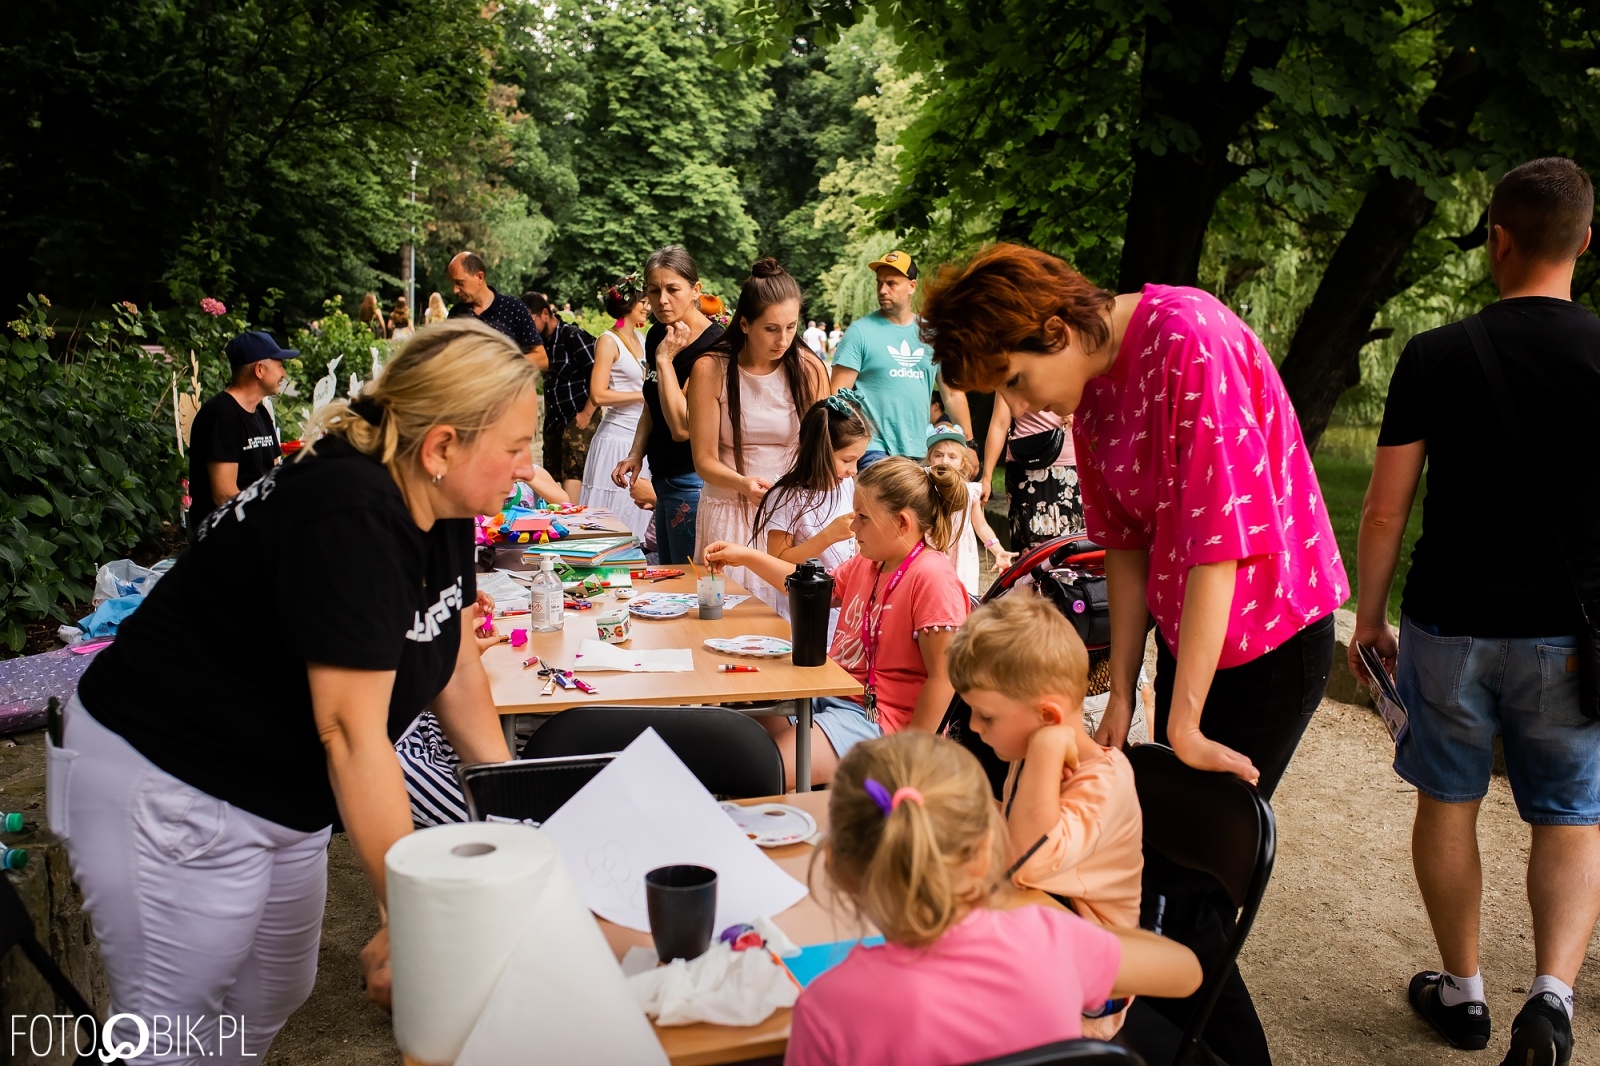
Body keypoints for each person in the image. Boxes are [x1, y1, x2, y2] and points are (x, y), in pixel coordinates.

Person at [53, 319, 533, 1061]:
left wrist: (511, 806)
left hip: (277, 783)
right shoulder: (353, 510)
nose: (526, 466)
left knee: (275, 988)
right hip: (171, 770)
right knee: (169, 1025)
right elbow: (349, 730)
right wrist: (411, 915)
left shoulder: (436, 500)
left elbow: (455, 650)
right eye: (515, 447)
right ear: (441, 445)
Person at [921, 243, 1346, 1065]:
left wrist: (1181, 719)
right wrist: (1119, 687)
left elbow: (1218, 546)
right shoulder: (1095, 381)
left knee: (1191, 884)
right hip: (1200, 639)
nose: (1016, 401)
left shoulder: (1189, 336)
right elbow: (1123, 541)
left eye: (1012, 378)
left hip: (1272, 637)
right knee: (1166, 872)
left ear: (1055, 329)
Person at [1351, 157, 1600, 1066]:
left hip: (1450, 624)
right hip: (1571, 635)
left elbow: (1385, 508)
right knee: (1570, 813)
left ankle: (1463, 995)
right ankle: (1552, 999)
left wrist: (1368, 617)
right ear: (1584, 241)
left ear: (1498, 239)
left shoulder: (1436, 354)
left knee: (1448, 801)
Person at [785, 729, 1202, 1066]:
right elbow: (1186, 972)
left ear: (838, 868)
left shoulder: (825, 1011)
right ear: (987, 848)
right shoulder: (1050, 942)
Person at [706, 457, 971, 788]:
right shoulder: (868, 562)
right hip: (833, 697)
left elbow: (944, 678)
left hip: (880, 722)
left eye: (862, 518)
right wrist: (746, 556)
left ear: (902, 523)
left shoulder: (933, 578)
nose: (854, 527)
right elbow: (809, 588)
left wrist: (911, 758)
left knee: (757, 769)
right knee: (737, 724)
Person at [951, 594, 1144, 1037]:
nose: (976, 728)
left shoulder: (1102, 784)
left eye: (985, 715)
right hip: (1030, 936)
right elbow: (1009, 823)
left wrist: (1045, 747)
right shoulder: (1029, 753)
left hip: (1086, 994)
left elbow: (1026, 858)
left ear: (1048, 717)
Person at [688, 258, 829, 577]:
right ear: (744, 324)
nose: (783, 340)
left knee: (790, 617)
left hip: (791, 514)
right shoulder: (711, 369)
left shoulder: (810, 369)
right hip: (729, 508)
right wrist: (742, 483)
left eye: (791, 327)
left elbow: (823, 449)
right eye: (771, 329)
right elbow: (703, 459)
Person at [612, 246, 726, 563]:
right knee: (671, 574)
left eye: (672, 289)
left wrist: (665, 358)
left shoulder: (714, 346)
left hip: (692, 479)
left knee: (690, 580)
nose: (662, 300)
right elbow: (653, 401)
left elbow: (682, 427)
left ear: (695, 290)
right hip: (662, 477)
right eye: (653, 290)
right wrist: (636, 453)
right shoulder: (657, 333)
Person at [829, 250, 976, 470]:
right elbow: (837, 396)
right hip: (873, 448)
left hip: (920, 448)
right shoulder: (860, 332)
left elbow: (953, 394)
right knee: (888, 504)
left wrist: (969, 444)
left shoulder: (932, 335)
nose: (882, 290)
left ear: (912, 286)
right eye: (879, 283)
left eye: (891, 283)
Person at [744, 390, 874, 624]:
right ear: (820, 451)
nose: (854, 470)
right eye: (846, 460)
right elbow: (779, 561)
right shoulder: (785, 497)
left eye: (857, 460)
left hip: (843, 610)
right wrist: (827, 536)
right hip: (803, 615)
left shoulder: (845, 486)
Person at [186, 330, 291, 541]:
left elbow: (275, 473)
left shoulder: (260, 413)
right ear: (259, 370)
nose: (284, 374)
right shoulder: (221, 415)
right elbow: (223, 494)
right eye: (280, 365)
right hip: (225, 534)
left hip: (254, 525)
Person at [581, 275, 655, 538]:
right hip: (614, 438)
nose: (647, 307)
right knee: (608, 519)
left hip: (639, 439)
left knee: (637, 513)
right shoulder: (608, 341)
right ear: (626, 305)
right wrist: (642, 394)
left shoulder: (643, 338)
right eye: (642, 302)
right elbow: (598, 394)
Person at [982, 396, 1084, 549]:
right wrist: (986, 476)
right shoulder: (1010, 372)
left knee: (1072, 542)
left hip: (1068, 465)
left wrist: (1079, 420)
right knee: (1029, 542)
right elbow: (999, 424)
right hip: (1024, 464)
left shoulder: (1074, 371)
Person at [524, 290, 598, 500]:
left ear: (545, 314)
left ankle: (572, 525)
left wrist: (587, 413)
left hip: (578, 416)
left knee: (573, 473)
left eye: (530, 320)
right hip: (554, 420)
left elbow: (598, 374)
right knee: (550, 472)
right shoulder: (539, 344)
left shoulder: (572, 336)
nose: (526, 327)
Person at [926, 423, 1014, 595]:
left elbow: (980, 526)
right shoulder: (923, 486)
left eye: (952, 457)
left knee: (961, 597)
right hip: (931, 551)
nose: (944, 461)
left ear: (962, 463)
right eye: (938, 455)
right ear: (929, 459)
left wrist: (998, 550)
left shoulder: (970, 492)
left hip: (962, 555)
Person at [446, 251, 547, 368]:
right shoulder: (456, 314)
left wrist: (504, 363)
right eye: (452, 283)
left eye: (459, 283)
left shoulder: (513, 307)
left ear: (480, 277)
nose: (455, 290)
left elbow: (542, 359)